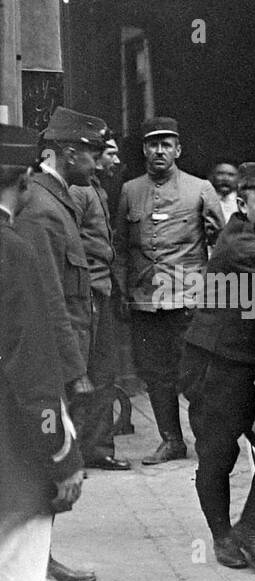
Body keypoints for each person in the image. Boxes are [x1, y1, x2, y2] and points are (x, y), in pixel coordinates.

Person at [0, 123, 84, 581]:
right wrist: (63, 456)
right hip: (12, 460)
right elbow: (31, 375)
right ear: (24, 181)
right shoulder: (13, 252)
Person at [181, 162, 255, 577]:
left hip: (251, 366)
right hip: (218, 367)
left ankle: (249, 528)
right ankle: (223, 534)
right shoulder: (243, 244)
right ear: (242, 205)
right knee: (217, 457)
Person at [21, 106, 108, 581]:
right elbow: (47, 299)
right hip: (51, 363)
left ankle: (44, 559)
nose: (96, 164)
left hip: (64, 355)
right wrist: (73, 372)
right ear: (68, 152)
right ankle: (33, 572)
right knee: (44, 463)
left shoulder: (56, 200)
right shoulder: (41, 208)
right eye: (92, 153)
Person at [116, 116, 224, 465]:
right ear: (144, 149)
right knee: (155, 375)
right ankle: (171, 440)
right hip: (145, 301)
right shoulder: (130, 191)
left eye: (166, 144)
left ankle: (210, 441)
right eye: (152, 144)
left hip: (187, 299)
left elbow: (222, 246)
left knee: (195, 376)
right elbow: (119, 246)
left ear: (178, 149)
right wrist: (123, 292)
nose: (159, 150)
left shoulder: (201, 189)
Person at [69, 129, 130, 474]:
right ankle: (75, 453)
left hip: (101, 291)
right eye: (109, 153)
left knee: (104, 374)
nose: (115, 160)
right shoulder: (79, 191)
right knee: (83, 375)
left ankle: (98, 448)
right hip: (87, 293)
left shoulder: (97, 189)